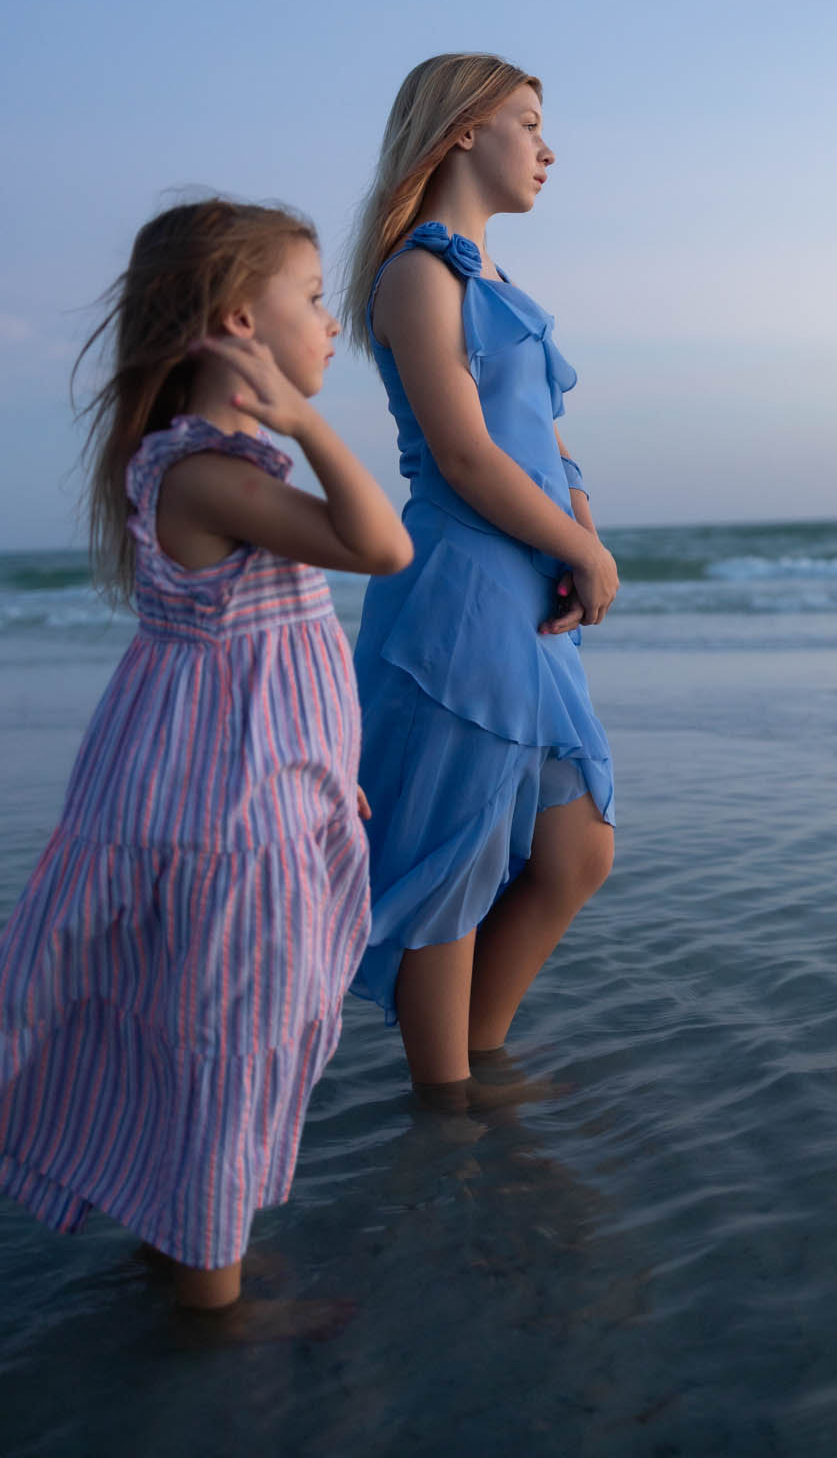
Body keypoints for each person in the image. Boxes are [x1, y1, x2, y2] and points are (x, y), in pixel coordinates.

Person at [0, 198, 411, 1337]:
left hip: (228, 786)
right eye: (316, 298)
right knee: (230, 1041)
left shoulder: (207, 464)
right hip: (228, 816)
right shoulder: (208, 471)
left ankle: (180, 1252)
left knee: (200, 1025)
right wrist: (318, 429)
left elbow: (270, 663)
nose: (334, 323)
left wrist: (328, 764)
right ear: (239, 321)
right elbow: (382, 545)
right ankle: (216, 1316)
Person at [344, 54, 616, 1107]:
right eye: (528, 122)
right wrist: (582, 553)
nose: (546, 148)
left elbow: (543, 442)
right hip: (461, 595)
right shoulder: (421, 272)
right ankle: (448, 1106)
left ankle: (477, 1065)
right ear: (462, 130)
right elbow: (464, 455)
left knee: (575, 848)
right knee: (452, 865)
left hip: (529, 593)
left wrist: (581, 527)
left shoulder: (500, 287)